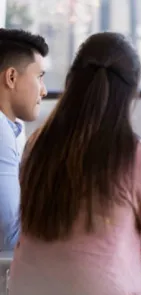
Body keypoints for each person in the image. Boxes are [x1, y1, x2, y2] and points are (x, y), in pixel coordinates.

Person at [8, 32, 141, 295]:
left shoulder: (37, 144)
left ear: (71, 82)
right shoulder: (138, 156)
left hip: (26, 288)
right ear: (131, 91)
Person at [0, 28, 48, 251]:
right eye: (39, 77)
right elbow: (8, 235)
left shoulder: (13, 128)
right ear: (11, 77)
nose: (44, 91)